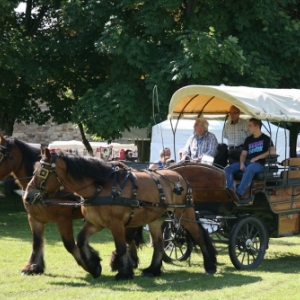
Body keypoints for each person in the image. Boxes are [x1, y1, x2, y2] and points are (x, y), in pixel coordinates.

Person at [225, 118, 276, 204]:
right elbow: (243, 154)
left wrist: (258, 157)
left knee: (250, 168)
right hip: (247, 162)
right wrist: (241, 163)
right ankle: (230, 191)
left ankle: (239, 193)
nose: (248, 128)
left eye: (250, 126)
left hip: (259, 164)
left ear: (256, 126)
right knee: (227, 169)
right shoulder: (248, 139)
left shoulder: (266, 138)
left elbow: (272, 151)